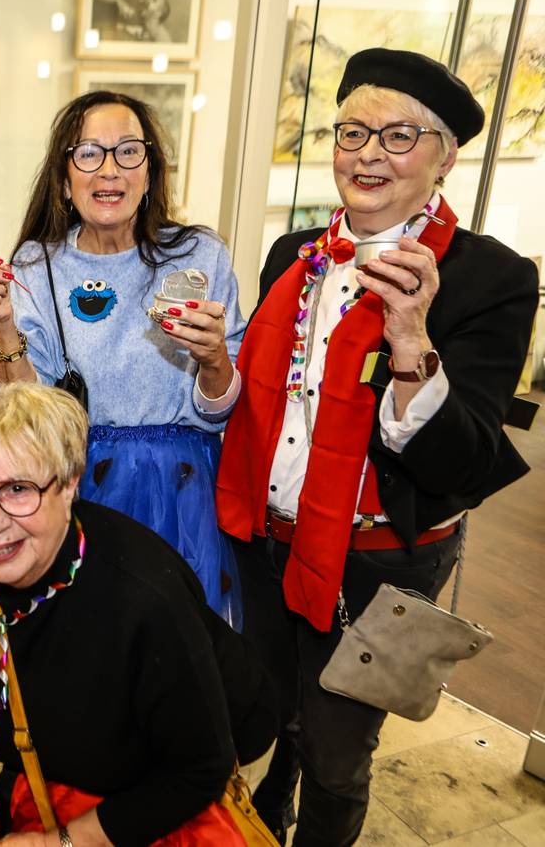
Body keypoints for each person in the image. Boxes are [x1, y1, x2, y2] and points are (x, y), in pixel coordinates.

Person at [215, 48, 539, 847]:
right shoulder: (295, 254)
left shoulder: (490, 278)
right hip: (267, 541)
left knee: (337, 751)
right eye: (352, 132)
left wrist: (410, 340)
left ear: (445, 157)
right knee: (272, 704)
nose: (367, 154)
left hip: (379, 559)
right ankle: (274, 793)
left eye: (398, 136)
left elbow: (463, 460)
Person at [0, 382, 276, 845]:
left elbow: (199, 769)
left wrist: (62, 842)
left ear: (70, 483)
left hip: (166, 787)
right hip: (44, 779)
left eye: (18, 489)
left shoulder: (143, 599)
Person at [0, 91, 246, 624]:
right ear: (64, 178)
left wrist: (214, 360)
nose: (109, 169)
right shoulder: (37, 264)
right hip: (80, 482)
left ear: (150, 172)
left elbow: (221, 410)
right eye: (89, 153)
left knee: (176, 641)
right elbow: (29, 409)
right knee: (89, 639)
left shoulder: (199, 254)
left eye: (128, 151)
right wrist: (1, 322)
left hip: (182, 489)